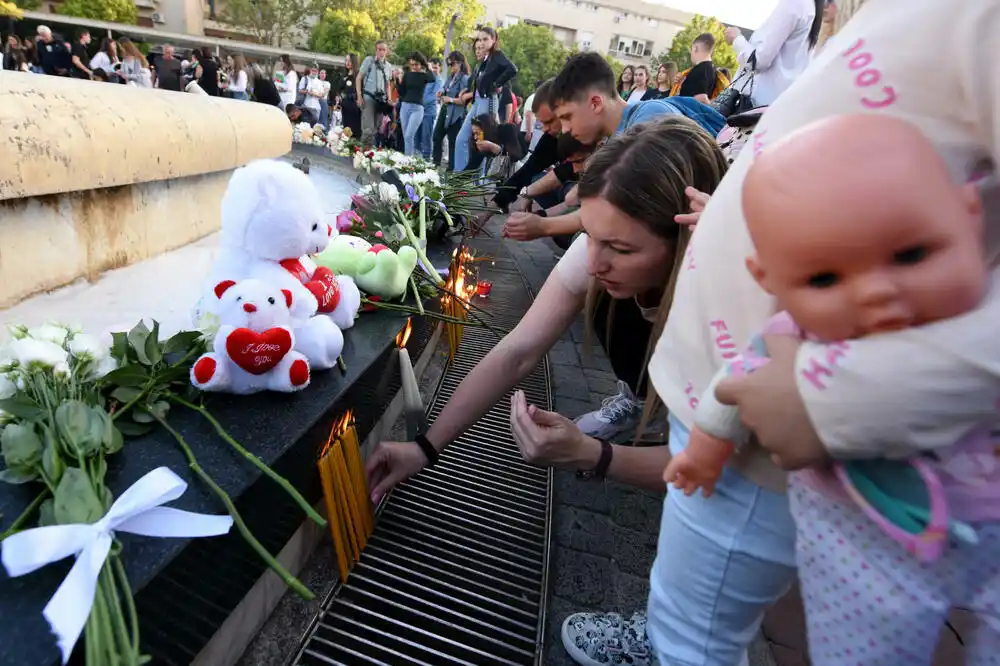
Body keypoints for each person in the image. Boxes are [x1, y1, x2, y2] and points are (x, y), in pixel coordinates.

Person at [633, 2, 1000, 665]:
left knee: (695, 637)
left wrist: (830, 399)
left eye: (912, 254)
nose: (877, 291)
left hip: (802, 442)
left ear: (966, 213)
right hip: (786, 445)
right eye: (831, 279)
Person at [365, 115, 726, 525]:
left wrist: (594, 454)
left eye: (621, 248)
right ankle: (643, 398)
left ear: (686, 241)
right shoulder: (598, 254)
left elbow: (720, 465)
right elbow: (518, 351)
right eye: (589, 234)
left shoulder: (730, 302)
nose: (594, 262)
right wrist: (425, 448)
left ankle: (659, 408)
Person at [503, 53, 724, 254]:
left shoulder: (650, 119)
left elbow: (618, 210)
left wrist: (543, 226)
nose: (566, 129)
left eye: (567, 117)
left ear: (596, 103)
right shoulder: (618, 137)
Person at [722, 0, 823, 107]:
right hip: (779, 103)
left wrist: (736, 39)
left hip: (757, 105)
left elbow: (758, 61)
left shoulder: (795, 3)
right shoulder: (811, 7)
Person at [452, 26, 517, 172]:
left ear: (493, 40)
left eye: (485, 39)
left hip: (487, 103)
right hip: (477, 104)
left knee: (482, 141)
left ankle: (480, 180)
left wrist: (496, 84)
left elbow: (512, 69)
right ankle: (460, 176)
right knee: (462, 139)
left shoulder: (497, 55)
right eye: (479, 39)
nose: (481, 43)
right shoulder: (485, 60)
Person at [394, 52, 437, 156]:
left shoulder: (424, 76)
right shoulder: (407, 75)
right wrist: (397, 80)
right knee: (406, 137)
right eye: (412, 64)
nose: (414, 67)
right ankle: (409, 158)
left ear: (421, 64)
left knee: (409, 135)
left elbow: (432, 78)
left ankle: (408, 160)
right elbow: (402, 92)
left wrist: (427, 66)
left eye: (416, 64)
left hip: (417, 108)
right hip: (405, 106)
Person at [433, 51, 471, 169]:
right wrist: (441, 93)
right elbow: (446, 89)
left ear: (460, 63)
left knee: (453, 143)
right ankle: (436, 164)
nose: (450, 67)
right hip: (445, 110)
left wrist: (449, 99)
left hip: (456, 114)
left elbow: (464, 101)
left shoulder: (465, 78)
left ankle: (451, 171)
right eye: (449, 65)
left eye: (452, 64)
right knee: (436, 136)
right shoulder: (450, 77)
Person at [357, 41, 392, 146]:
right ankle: (362, 153)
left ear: (387, 51)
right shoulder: (369, 60)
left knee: (376, 128)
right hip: (369, 96)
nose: (381, 52)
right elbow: (359, 78)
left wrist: (389, 98)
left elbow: (388, 84)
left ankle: (368, 153)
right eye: (379, 49)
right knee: (368, 128)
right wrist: (359, 96)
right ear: (376, 50)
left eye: (383, 50)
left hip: (381, 100)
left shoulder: (388, 66)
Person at [672, 32, 717, 103]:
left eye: (691, 49)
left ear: (695, 48)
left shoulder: (700, 70)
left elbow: (701, 99)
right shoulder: (711, 69)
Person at [420, 57, 444, 160]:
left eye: (436, 67)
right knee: (419, 137)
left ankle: (426, 159)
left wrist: (419, 102)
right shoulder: (426, 78)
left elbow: (434, 96)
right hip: (419, 111)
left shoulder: (439, 80)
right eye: (432, 67)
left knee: (426, 137)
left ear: (439, 68)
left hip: (429, 112)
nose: (433, 70)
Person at [339, 54, 362, 137]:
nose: (347, 63)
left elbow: (360, 90)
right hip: (345, 106)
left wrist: (354, 96)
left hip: (354, 107)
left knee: (355, 130)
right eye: (346, 60)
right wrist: (340, 97)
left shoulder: (359, 75)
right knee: (346, 130)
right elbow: (340, 89)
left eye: (349, 61)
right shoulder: (344, 75)